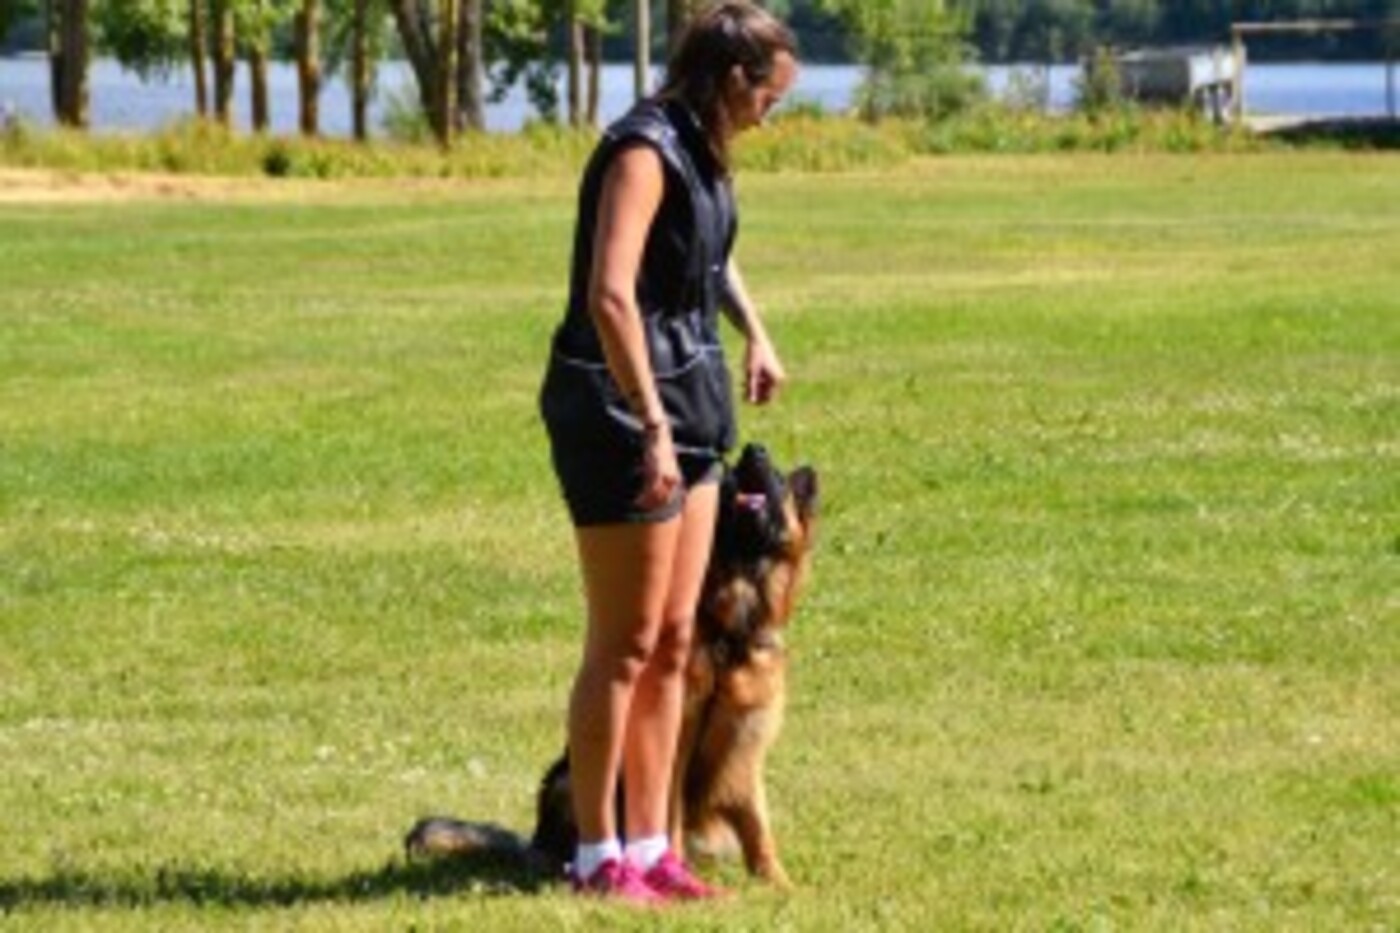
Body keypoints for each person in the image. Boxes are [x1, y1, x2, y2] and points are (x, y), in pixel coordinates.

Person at [537, 0, 799, 905]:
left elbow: (706, 260)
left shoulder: (701, 151)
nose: (770, 115)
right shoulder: (643, 151)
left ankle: (653, 846)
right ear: (732, 80)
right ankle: (595, 854)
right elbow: (611, 295)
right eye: (768, 96)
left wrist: (755, 331)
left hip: (690, 405)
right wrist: (648, 420)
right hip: (620, 409)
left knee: (677, 640)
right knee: (625, 644)